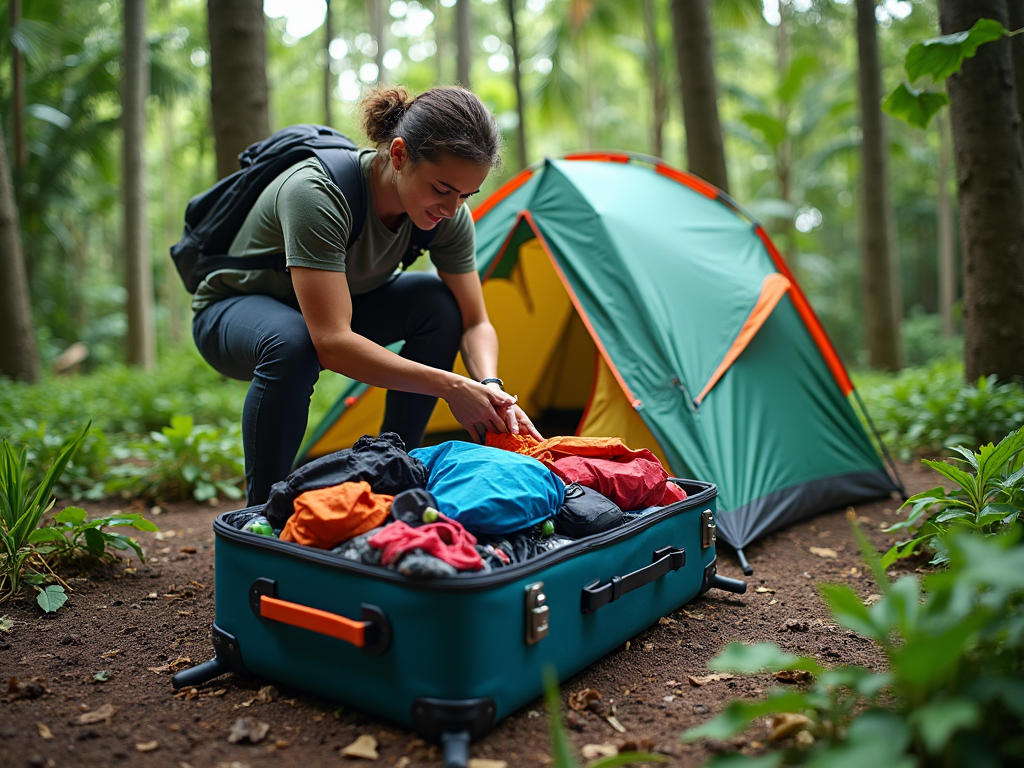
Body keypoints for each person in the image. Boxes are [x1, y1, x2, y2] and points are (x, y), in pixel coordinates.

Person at [191, 85, 540, 506]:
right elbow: (332, 344)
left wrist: (489, 386)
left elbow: (474, 321)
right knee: (293, 342)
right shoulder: (317, 193)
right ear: (398, 155)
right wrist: (451, 386)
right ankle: (262, 514)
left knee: (437, 304)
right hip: (233, 313)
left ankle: (393, 479)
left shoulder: (448, 215)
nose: (451, 209)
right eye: (442, 189)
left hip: (336, 309)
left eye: (466, 195)